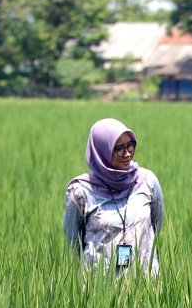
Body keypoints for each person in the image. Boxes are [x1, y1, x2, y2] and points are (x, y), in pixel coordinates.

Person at [64, 118, 164, 277]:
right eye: (118, 148)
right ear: (102, 151)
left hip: (146, 284)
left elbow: (157, 224)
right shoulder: (80, 191)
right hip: (99, 286)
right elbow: (73, 242)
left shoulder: (147, 181)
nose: (127, 153)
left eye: (130, 145)